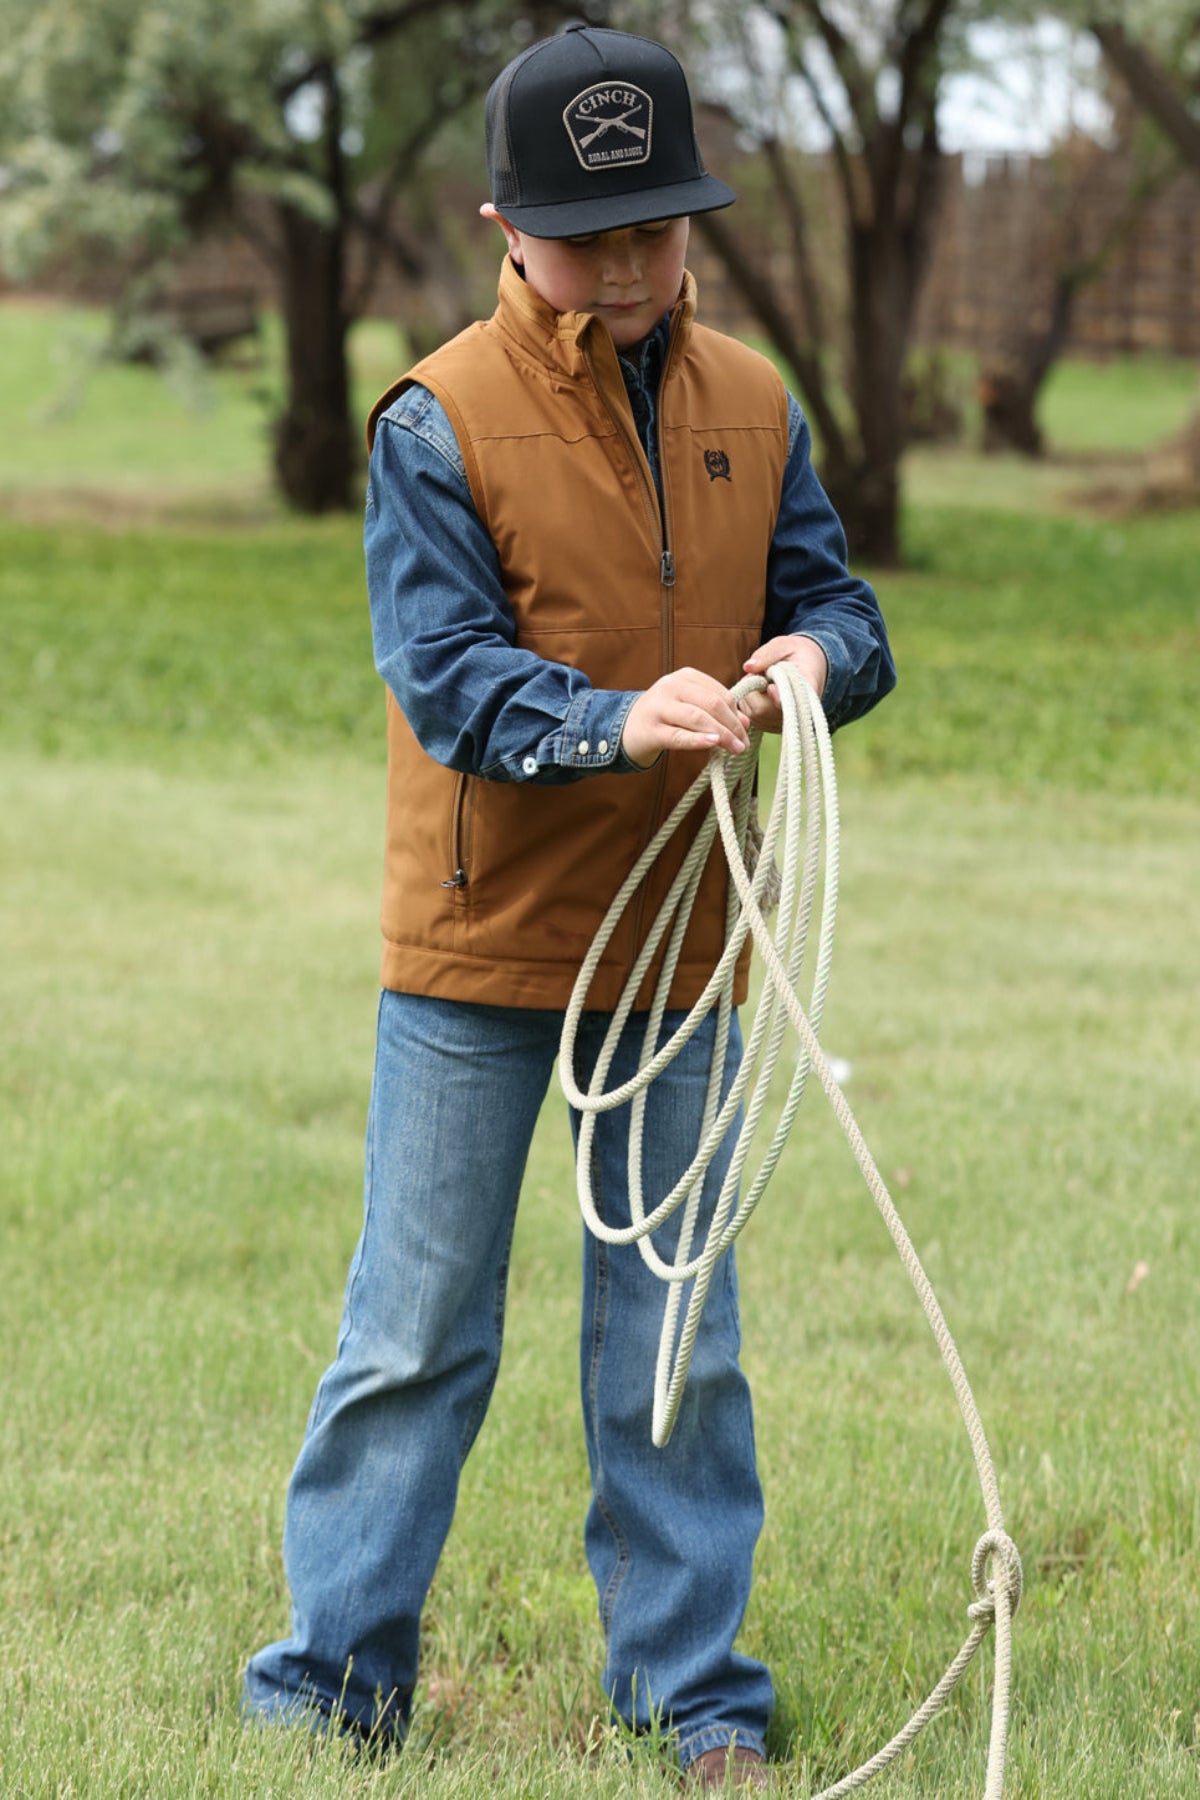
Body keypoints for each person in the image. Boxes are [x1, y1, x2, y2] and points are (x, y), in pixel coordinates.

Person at [243, 23, 895, 1791]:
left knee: (678, 1326)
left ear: (695, 223)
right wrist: (614, 717)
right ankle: (329, 1681)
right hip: (479, 947)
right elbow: (443, 673)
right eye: (588, 233)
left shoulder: (757, 403)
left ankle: (698, 1698)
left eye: (658, 229)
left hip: (690, 940)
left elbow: (847, 608)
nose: (625, 266)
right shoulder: (436, 416)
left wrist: (810, 657)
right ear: (502, 225)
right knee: (419, 1325)